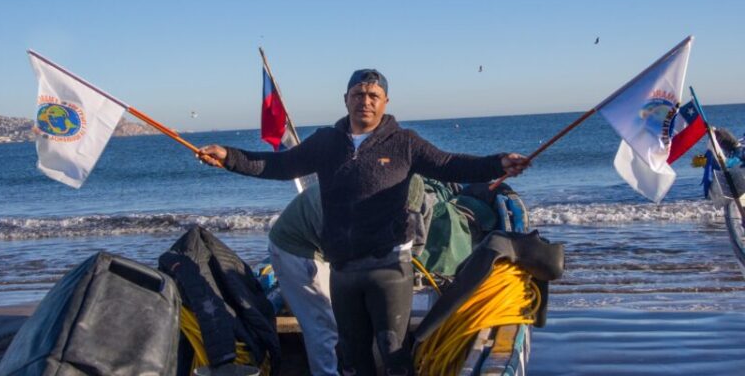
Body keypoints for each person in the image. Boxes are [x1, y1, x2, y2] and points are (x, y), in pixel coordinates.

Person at [199, 69, 529, 375]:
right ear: (346, 100)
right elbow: (279, 166)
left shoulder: (405, 143)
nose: (365, 101)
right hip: (343, 269)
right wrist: (230, 158)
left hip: (389, 268)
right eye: (358, 94)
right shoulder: (325, 142)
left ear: (385, 102)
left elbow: (450, 164)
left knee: (392, 348)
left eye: (374, 95)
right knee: (353, 355)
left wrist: (498, 163)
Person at [267, 183, 338, 376]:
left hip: (313, 241)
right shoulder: (343, 201)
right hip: (295, 250)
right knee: (323, 322)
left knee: (332, 318)